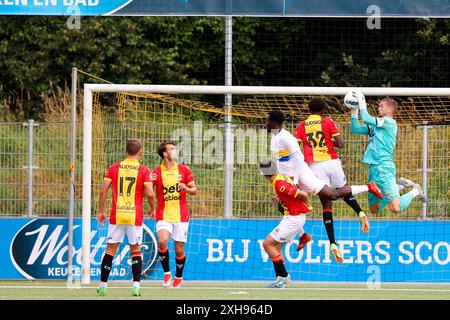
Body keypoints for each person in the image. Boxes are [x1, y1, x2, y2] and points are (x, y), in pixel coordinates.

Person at [267, 109, 383, 263]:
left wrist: (294, 182)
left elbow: (299, 158)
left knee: (332, 195)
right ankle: (303, 236)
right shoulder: (274, 138)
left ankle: (369, 187)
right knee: (284, 207)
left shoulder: (287, 137)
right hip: (293, 178)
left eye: (267, 120)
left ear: (274, 122)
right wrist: (281, 187)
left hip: (303, 175)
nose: (266, 123)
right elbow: (282, 164)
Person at [295, 98, 370, 258]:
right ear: (322, 111)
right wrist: (329, 142)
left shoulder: (301, 126)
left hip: (315, 165)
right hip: (332, 161)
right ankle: (360, 212)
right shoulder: (328, 122)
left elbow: (296, 148)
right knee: (344, 191)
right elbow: (341, 143)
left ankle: (333, 243)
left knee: (327, 204)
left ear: (309, 111)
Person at [349, 91, 427, 214]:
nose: (378, 108)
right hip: (373, 170)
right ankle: (398, 187)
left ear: (389, 111)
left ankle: (416, 190)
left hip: (384, 168)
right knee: (374, 209)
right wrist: (354, 110)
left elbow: (366, 118)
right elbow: (355, 128)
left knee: (395, 208)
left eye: (382, 106)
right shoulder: (376, 126)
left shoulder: (389, 122)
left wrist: (362, 102)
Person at [96, 139, 155, 297]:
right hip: (134, 216)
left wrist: (101, 211)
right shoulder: (143, 169)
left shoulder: (114, 168)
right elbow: (150, 193)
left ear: (125, 151)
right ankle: (136, 286)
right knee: (135, 250)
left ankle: (102, 286)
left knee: (110, 250)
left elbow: (103, 191)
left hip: (117, 214)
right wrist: (153, 209)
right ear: (140, 152)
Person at [151, 140, 198, 288]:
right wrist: (148, 183)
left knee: (179, 250)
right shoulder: (156, 173)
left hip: (181, 215)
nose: (175, 151)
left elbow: (194, 191)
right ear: (165, 154)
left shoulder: (184, 169)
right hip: (163, 214)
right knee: (162, 241)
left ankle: (178, 276)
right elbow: (149, 193)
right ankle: (166, 272)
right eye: (172, 149)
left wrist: (186, 188)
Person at [260, 158, 312, 289]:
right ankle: (280, 279)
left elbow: (303, 194)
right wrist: (280, 197)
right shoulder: (280, 177)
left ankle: (283, 277)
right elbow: (291, 189)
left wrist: (306, 205)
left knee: (267, 243)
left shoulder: (279, 184)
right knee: (275, 247)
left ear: (264, 174)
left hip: (293, 218)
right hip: (292, 217)